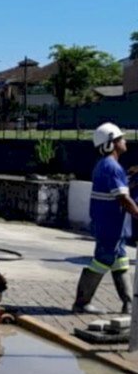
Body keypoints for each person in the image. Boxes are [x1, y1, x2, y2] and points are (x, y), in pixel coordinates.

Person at [72, 122, 138, 314]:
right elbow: (123, 198)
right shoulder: (112, 167)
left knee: (120, 261)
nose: (125, 141)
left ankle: (129, 303)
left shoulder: (105, 165)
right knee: (102, 260)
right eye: (120, 139)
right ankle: (82, 303)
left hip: (110, 225)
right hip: (111, 226)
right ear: (111, 143)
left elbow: (118, 190)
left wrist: (130, 179)